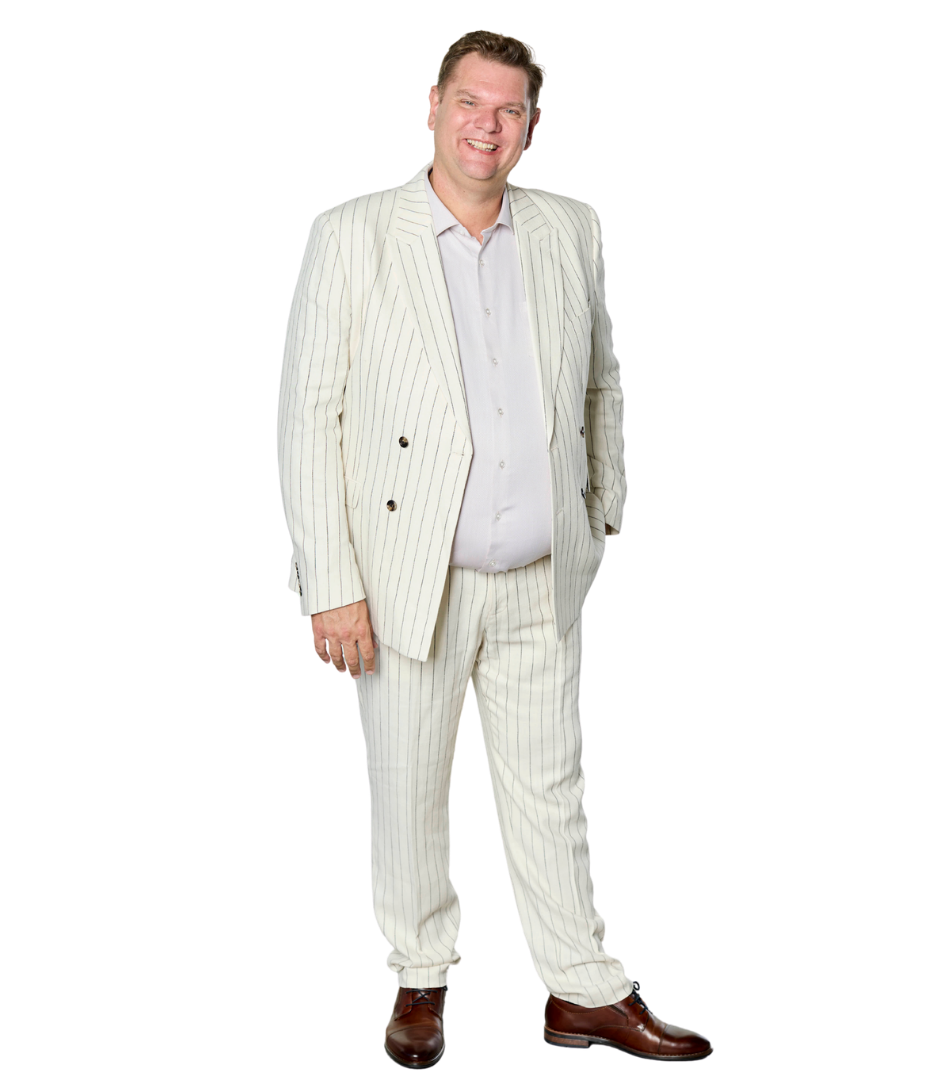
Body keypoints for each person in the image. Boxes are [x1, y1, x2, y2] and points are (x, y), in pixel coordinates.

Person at [277, 29, 713, 1069]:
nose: (488, 124)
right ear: (431, 108)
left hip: (541, 571)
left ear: (532, 126)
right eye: (470, 102)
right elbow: (307, 416)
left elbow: (602, 378)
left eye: (509, 110)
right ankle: (420, 977)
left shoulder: (570, 225)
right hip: (406, 577)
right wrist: (330, 584)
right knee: (410, 787)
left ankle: (580, 989)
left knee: (552, 790)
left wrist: (602, 510)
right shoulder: (352, 232)